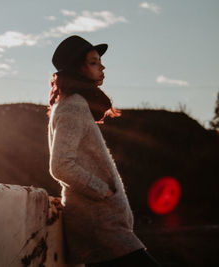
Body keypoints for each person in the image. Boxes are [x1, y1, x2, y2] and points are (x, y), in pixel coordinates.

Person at [47, 35, 160, 266]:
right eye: (94, 62)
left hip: (102, 225)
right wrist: (102, 190)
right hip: (98, 225)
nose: (102, 66)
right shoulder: (74, 105)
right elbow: (60, 165)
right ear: (77, 68)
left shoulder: (73, 104)